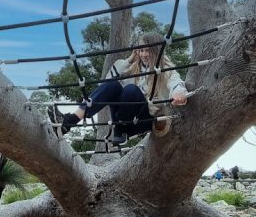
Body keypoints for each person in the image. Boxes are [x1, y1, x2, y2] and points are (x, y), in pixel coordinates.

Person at [49, 31, 188, 145]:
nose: (144, 54)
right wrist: (129, 60)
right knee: (113, 85)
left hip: (142, 120)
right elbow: (106, 83)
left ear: (157, 51)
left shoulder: (165, 68)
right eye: (141, 50)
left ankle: (122, 129)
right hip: (120, 120)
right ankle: (69, 122)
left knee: (132, 90)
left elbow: (176, 82)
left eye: (148, 50)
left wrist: (179, 94)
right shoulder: (133, 66)